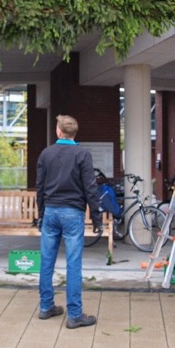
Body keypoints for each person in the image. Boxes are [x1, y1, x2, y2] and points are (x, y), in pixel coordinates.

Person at [36, 115, 101, 329]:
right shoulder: (83, 154)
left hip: (51, 211)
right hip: (73, 212)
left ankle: (46, 307)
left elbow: (40, 187)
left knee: (47, 260)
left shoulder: (46, 154)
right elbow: (90, 187)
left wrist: (41, 213)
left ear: (58, 131)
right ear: (74, 132)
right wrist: (96, 217)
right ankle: (74, 314)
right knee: (73, 262)